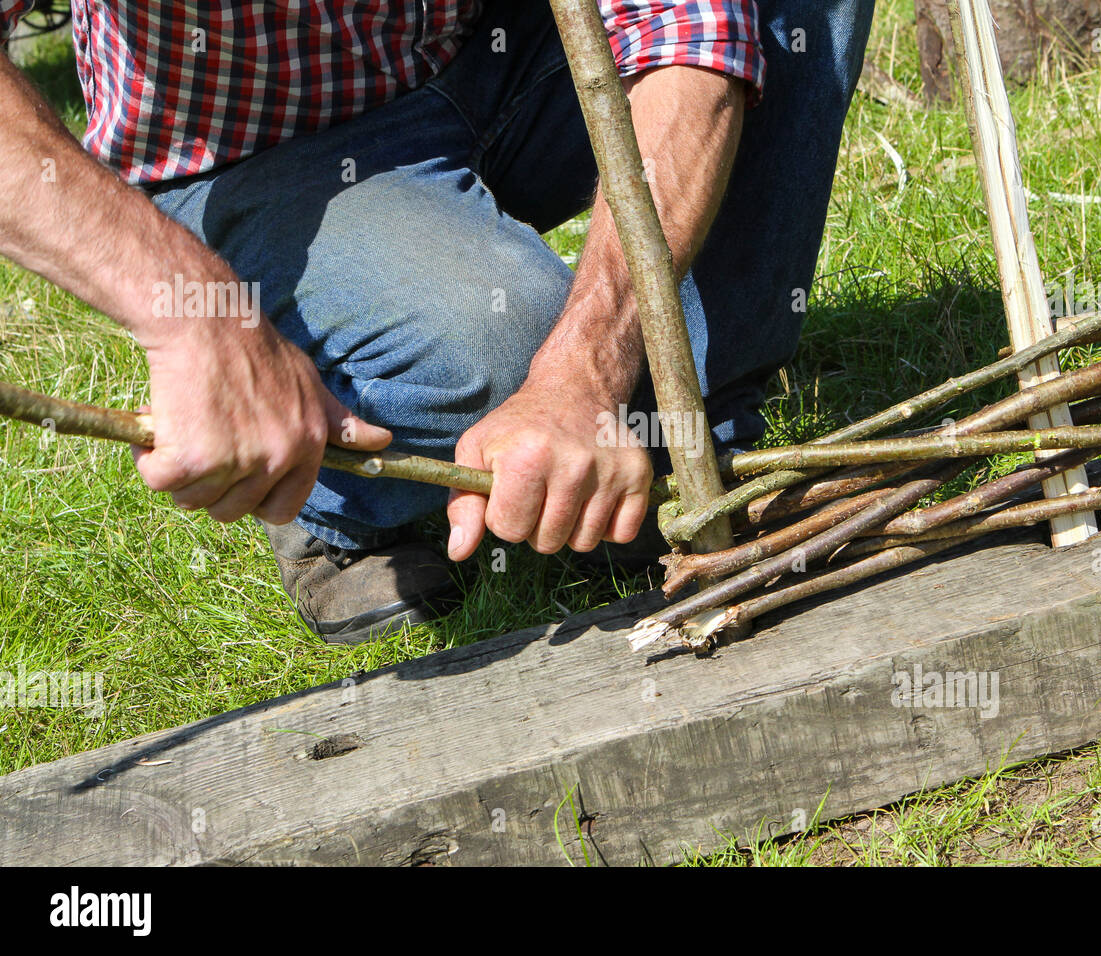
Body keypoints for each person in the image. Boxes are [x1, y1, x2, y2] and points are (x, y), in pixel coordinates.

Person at [0, 0, 874, 643]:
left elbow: (692, 23)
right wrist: (197, 319)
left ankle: (690, 442)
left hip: (502, 46)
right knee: (503, 339)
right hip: (264, 145)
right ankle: (335, 501)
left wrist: (591, 368)